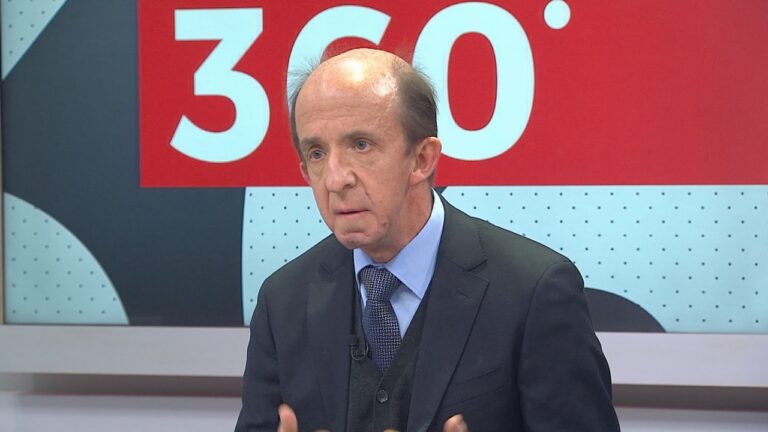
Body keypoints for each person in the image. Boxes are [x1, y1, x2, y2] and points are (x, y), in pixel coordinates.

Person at [235, 48, 620, 432]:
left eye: (361, 145)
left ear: (422, 159)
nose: (335, 179)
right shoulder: (283, 302)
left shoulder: (534, 291)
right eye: (317, 153)